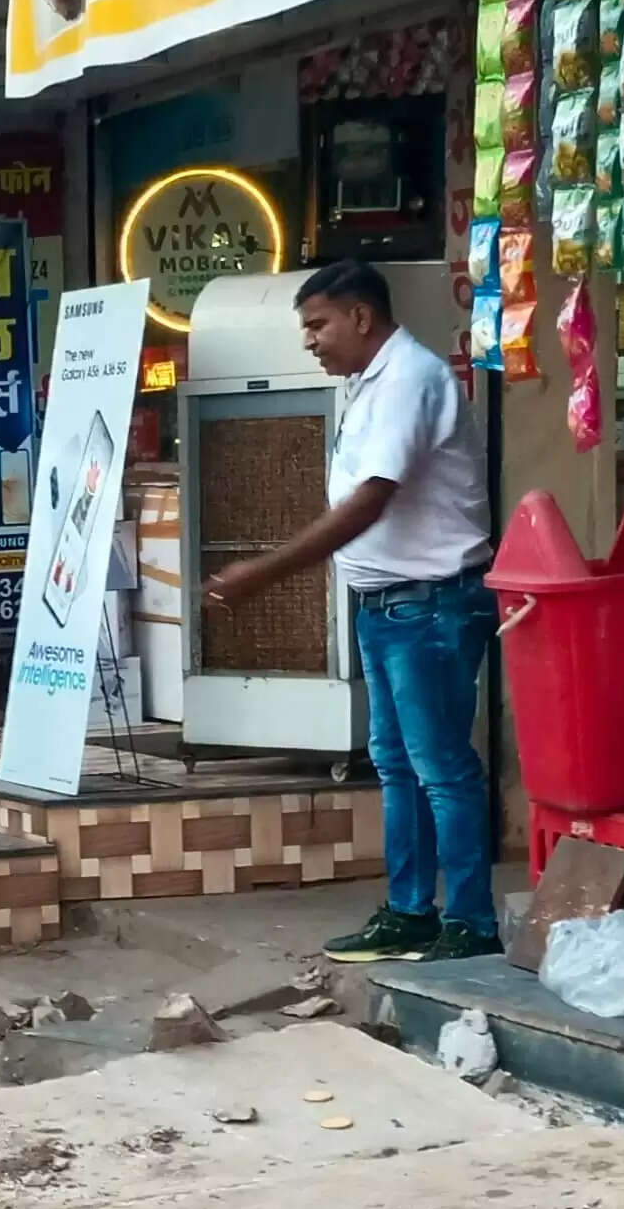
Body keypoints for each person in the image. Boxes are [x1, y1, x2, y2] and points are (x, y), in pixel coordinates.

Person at [204, 258, 496, 963]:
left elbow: (370, 499)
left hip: (428, 607)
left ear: (361, 316)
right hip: (387, 607)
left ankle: (472, 922)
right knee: (397, 765)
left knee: (441, 767)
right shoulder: (369, 381)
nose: (309, 341)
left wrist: (263, 573)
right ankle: (410, 911)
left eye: (317, 325)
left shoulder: (409, 379)